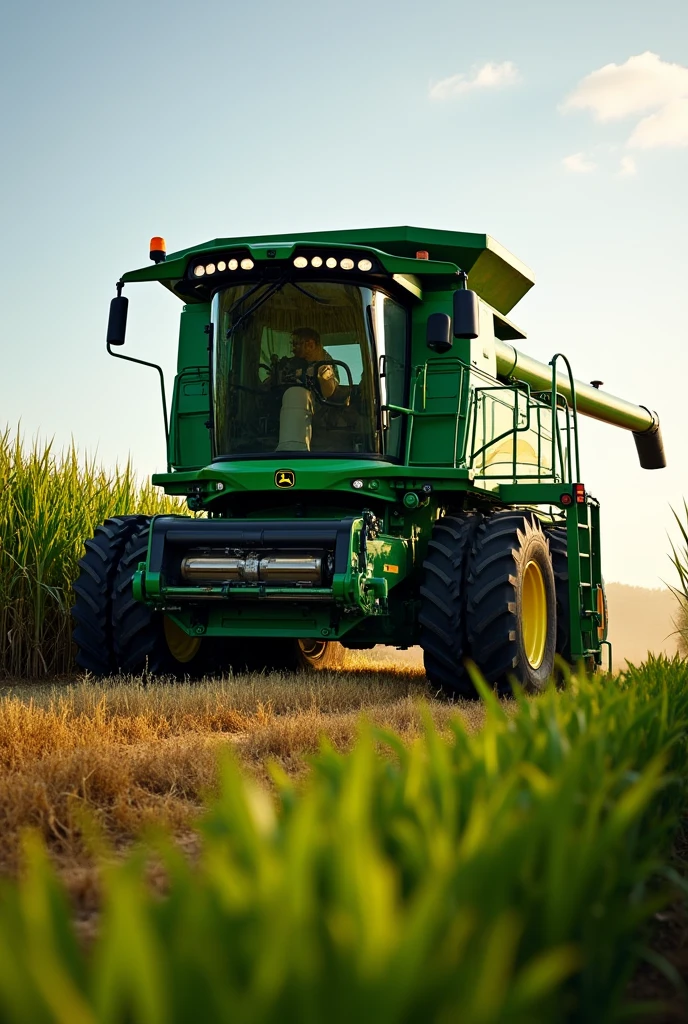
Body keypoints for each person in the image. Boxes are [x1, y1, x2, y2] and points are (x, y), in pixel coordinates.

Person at [276, 328, 339, 451]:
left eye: (296, 344)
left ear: (310, 345)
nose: (292, 348)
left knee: (297, 395)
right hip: (279, 405)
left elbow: (329, 392)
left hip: (318, 411)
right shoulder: (291, 363)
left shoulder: (325, 364)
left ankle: (292, 449)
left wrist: (323, 378)